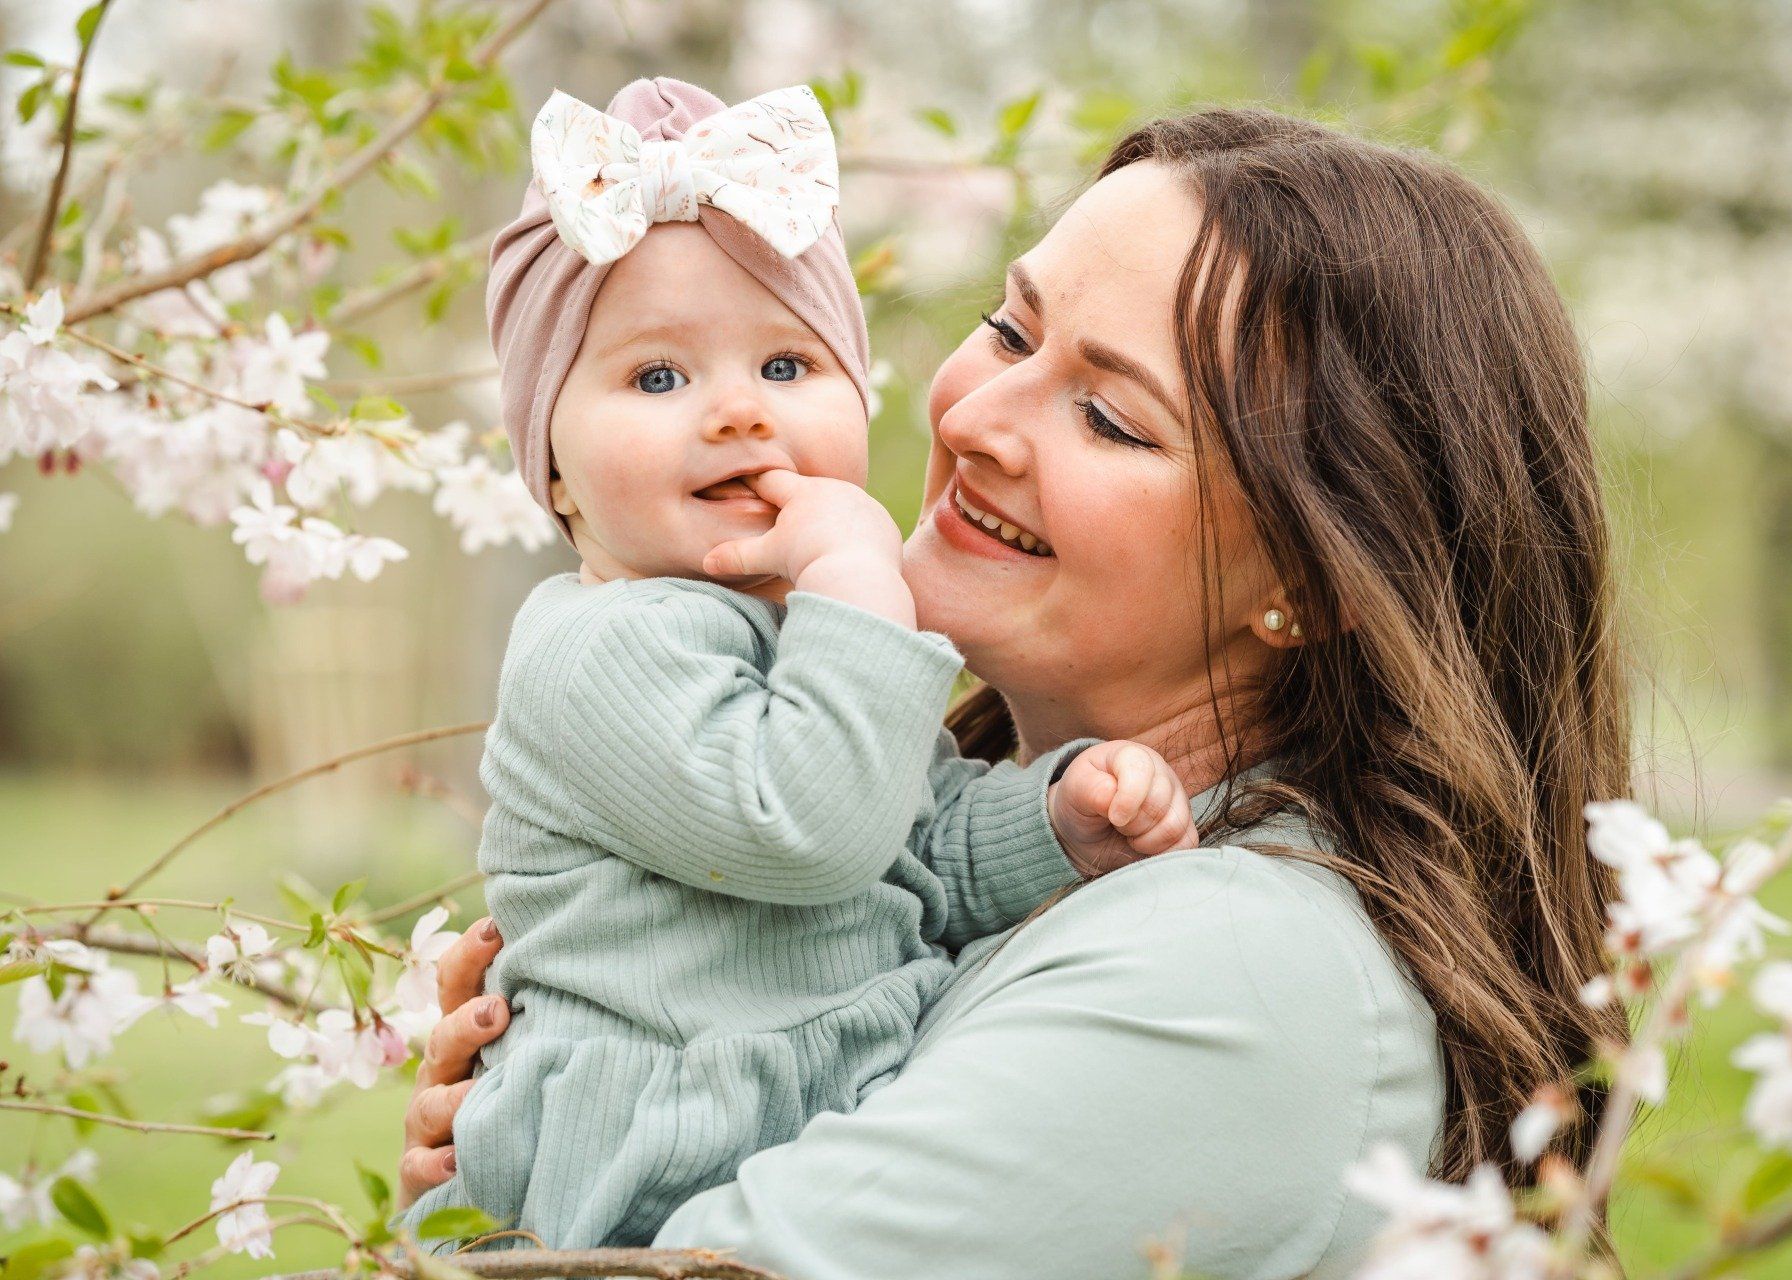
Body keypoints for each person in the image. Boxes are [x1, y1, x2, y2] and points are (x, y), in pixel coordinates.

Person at [399, 105, 1632, 1279]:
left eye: (1108, 415)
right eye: (1006, 328)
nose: (977, 415)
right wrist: (509, 1163)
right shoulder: (1005, 832)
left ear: (1311, 581)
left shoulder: (1235, 979)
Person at [395, 76, 1198, 1252]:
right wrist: (862, 581)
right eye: (656, 377)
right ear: (553, 471)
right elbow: (810, 827)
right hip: (649, 1159)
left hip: (780, 1117)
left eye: (786, 366)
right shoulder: (601, 649)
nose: (737, 413)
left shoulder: (803, 651)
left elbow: (906, 848)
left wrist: (1054, 821)